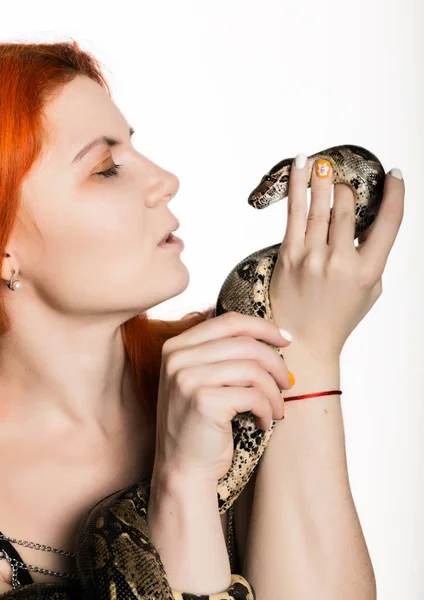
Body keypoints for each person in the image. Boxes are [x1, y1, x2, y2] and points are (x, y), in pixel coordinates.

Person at [0, 39, 405, 598]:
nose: (166, 179)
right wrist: (183, 484)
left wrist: (306, 352)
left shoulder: (229, 371)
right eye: (106, 168)